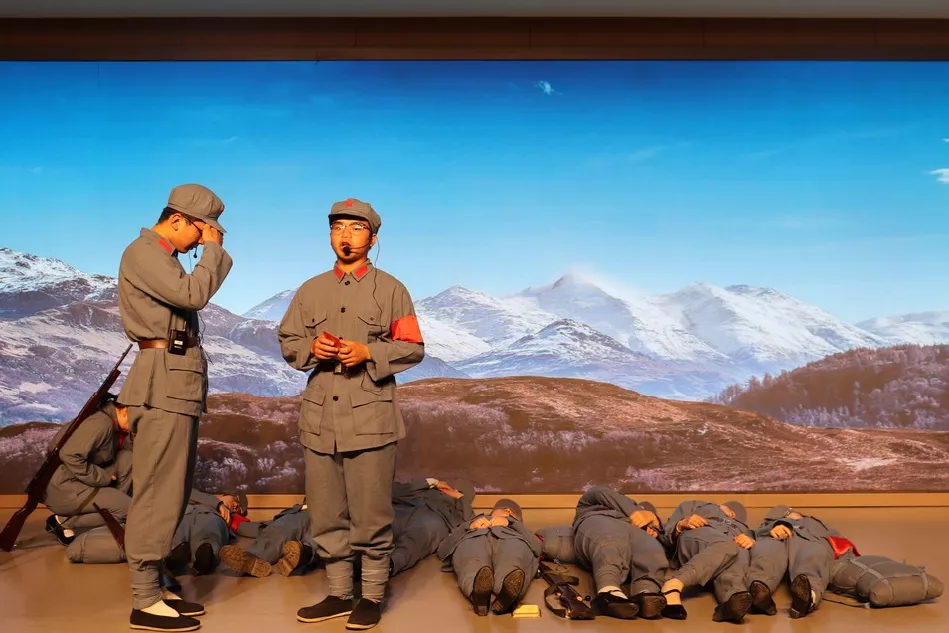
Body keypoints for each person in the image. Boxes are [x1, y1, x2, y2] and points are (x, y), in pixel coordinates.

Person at [278, 198, 424, 630]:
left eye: (356, 228)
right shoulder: (310, 290)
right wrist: (310, 348)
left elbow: (413, 348)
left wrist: (369, 352)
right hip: (320, 419)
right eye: (338, 227)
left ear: (372, 239)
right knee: (326, 513)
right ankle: (340, 594)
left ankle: (372, 596)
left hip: (371, 419)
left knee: (372, 513)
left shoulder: (393, 289)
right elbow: (289, 341)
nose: (345, 235)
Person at [117, 183, 232, 632]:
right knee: (157, 492)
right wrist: (213, 253)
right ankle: (144, 599)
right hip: (162, 382)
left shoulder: (162, 257)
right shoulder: (145, 252)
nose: (204, 239)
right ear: (178, 219)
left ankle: (155, 585)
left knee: (172, 491)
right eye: (202, 230)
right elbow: (192, 295)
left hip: (174, 380)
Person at [42, 397, 133, 545]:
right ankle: (62, 522)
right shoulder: (101, 423)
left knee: (128, 459)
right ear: (125, 411)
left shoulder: (110, 421)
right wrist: (103, 477)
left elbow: (122, 451)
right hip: (65, 486)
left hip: (75, 479)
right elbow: (69, 455)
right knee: (129, 510)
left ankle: (114, 507)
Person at [571, 485, 670, 619]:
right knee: (610, 541)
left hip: (632, 529)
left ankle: (646, 592)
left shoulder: (643, 520)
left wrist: (654, 525)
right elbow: (601, 492)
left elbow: (668, 540)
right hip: (600, 520)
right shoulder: (594, 502)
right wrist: (639, 513)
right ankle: (608, 592)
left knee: (652, 550)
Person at [660, 500, 763, 623]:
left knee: (740, 554)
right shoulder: (694, 505)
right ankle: (674, 583)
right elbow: (666, 535)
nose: (730, 511)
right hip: (701, 532)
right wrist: (681, 524)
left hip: (731, 546)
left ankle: (732, 600)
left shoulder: (744, 528)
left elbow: (757, 547)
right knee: (728, 546)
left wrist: (749, 541)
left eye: (732, 512)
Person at [437, 499, 542, 616]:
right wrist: (469, 526)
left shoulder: (521, 529)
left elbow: (538, 547)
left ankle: (506, 596)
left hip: (512, 539)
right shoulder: (474, 522)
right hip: (475, 538)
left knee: (512, 560)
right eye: (504, 509)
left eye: (513, 513)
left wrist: (512, 523)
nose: (508, 511)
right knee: (473, 562)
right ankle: (478, 594)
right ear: (493, 512)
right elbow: (443, 550)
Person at [390, 478, 475, 576]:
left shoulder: (460, 508)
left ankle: (390, 564)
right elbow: (392, 491)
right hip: (405, 511)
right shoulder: (426, 491)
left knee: (416, 539)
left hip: (436, 520)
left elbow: (471, 522)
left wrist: (459, 497)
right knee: (385, 527)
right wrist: (432, 482)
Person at [220, 500, 319, 578]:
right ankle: (251, 558)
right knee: (280, 530)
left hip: (323, 514)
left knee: (317, 539)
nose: (236, 504)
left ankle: (301, 554)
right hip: (308, 510)